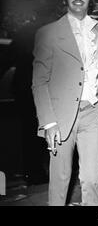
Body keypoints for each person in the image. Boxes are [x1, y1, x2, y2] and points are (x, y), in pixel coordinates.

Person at [32, 0, 98, 206]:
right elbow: (39, 81)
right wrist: (49, 122)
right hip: (61, 117)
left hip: (93, 114)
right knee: (61, 178)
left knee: (92, 178)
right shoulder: (48, 33)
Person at [0, 14, 48, 185]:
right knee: (41, 131)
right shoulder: (52, 31)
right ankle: (37, 171)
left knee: (29, 131)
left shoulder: (24, 32)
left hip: (24, 89)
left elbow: (5, 60)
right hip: (41, 89)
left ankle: (33, 171)